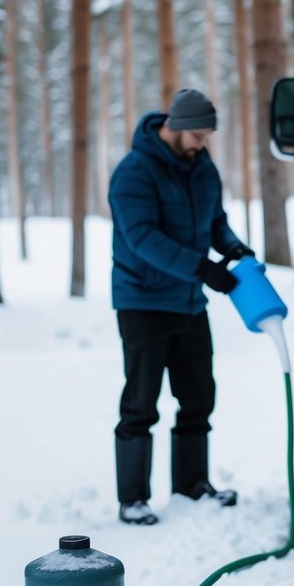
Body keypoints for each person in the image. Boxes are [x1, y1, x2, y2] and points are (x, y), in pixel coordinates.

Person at [108, 88, 253, 525]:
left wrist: (233, 248)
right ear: (179, 126)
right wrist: (202, 268)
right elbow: (143, 239)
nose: (203, 143)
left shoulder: (201, 166)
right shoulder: (134, 172)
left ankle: (192, 486)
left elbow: (215, 221)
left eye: (208, 136)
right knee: (140, 403)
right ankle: (133, 499)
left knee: (197, 399)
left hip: (189, 303)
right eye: (200, 135)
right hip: (144, 303)